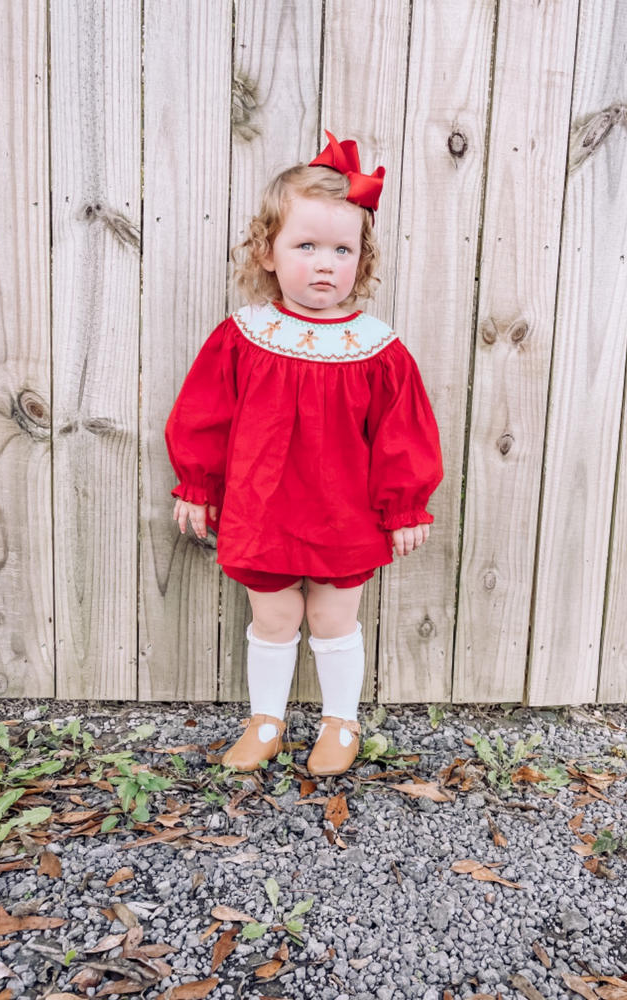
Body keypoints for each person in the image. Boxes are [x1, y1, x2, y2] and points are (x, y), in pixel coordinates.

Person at [165, 130, 443, 777]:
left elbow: (405, 434)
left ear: (362, 258)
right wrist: (196, 485)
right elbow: (204, 416)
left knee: (332, 615)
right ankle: (266, 720)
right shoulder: (246, 335)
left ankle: (340, 723)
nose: (324, 264)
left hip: (343, 512)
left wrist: (406, 507)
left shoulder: (375, 348)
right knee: (276, 615)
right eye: (306, 246)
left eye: (342, 249)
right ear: (268, 251)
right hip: (265, 509)